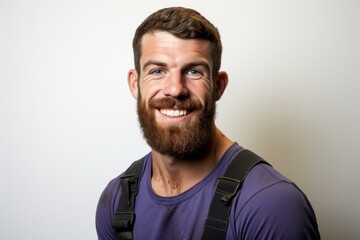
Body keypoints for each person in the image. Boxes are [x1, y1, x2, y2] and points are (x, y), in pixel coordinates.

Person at [96, 6, 320, 240]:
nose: (175, 89)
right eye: (157, 71)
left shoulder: (271, 205)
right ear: (135, 84)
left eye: (193, 71)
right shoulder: (116, 201)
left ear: (218, 86)